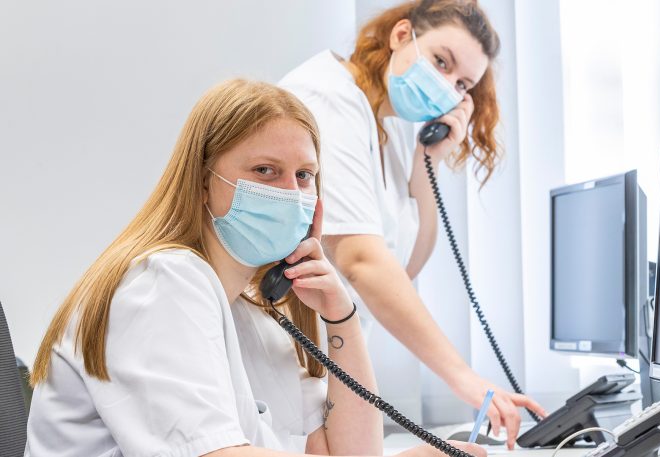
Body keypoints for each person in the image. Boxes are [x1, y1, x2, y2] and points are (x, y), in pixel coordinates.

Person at [24, 79, 484, 457]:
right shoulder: (162, 283)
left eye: (304, 175)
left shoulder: (253, 304)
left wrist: (341, 317)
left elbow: (347, 451)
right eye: (266, 170)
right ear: (204, 183)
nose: (290, 192)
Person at [279, 0, 546, 448]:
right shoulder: (330, 98)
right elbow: (361, 262)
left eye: (462, 84)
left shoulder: (389, 127)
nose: (447, 86)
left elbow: (405, 264)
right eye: (442, 62)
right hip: (288, 367)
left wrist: (429, 159)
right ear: (401, 35)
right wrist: (465, 379)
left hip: (325, 370)